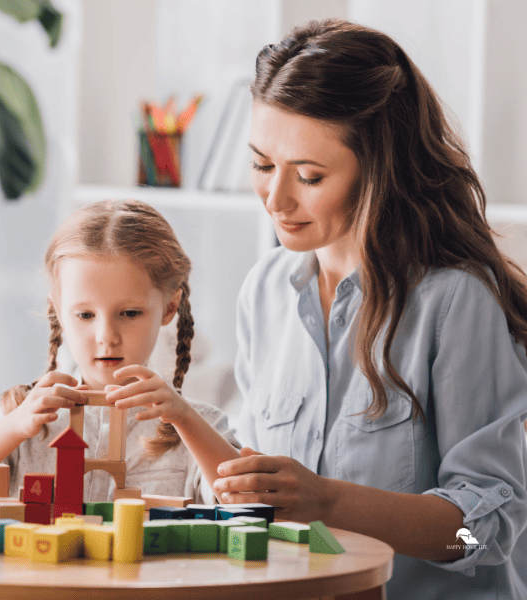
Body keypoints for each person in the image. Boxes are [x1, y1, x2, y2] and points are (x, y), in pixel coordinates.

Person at [212, 18, 527, 600]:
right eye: (261, 165)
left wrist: (328, 502)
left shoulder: (455, 301)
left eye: (309, 176)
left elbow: (485, 533)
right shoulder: (265, 290)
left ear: (378, 169)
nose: (276, 199)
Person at [0, 199, 240, 504]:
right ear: (59, 312)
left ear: (169, 307)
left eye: (130, 313)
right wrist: (14, 427)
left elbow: (245, 503)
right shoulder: (25, 415)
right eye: (85, 315)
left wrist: (184, 418)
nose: (106, 336)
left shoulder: (199, 426)